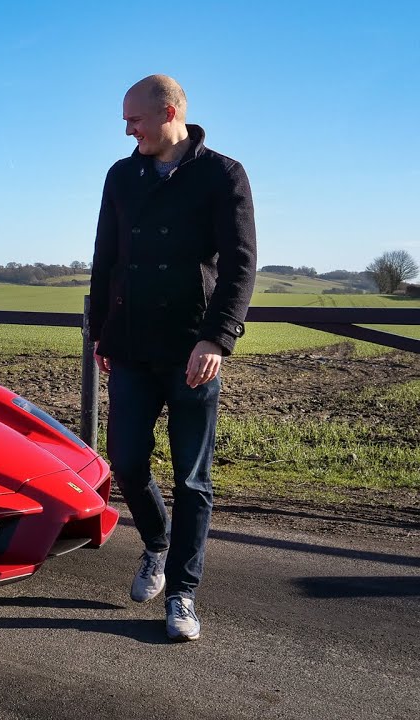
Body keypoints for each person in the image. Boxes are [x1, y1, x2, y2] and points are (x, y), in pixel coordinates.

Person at [88, 74, 256, 642]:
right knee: (128, 463)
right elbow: (105, 256)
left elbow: (239, 263)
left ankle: (182, 592)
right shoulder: (121, 174)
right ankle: (156, 544)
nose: (128, 129)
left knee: (192, 477)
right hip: (132, 343)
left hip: (192, 349)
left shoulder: (221, 174)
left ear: (170, 111)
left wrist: (218, 337)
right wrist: (100, 330)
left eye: (135, 118)